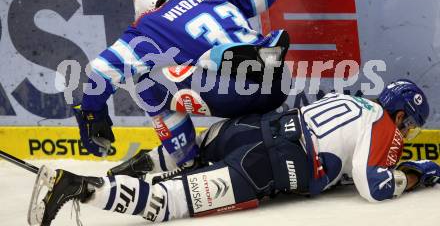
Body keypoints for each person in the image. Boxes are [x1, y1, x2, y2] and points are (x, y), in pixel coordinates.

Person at [73, 0, 330, 168]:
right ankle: (249, 55)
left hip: (235, 92)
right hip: (278, 83)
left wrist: (91, 113)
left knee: (144, 83)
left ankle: (187, 161)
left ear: (145, 11)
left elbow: (101, 71)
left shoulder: (147, 27)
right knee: (210, 60)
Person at [28, 79, 440, 225]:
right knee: (168, 203)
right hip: (265, 166)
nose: (405, 133)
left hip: (243, 131)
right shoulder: (382, 122)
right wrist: (417, 175)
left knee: (183, 153)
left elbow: (343, 158)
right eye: (409, 124)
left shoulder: (352, 101)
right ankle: (79, 187)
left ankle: (120, 172)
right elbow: (374, 186)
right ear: (400, 112)